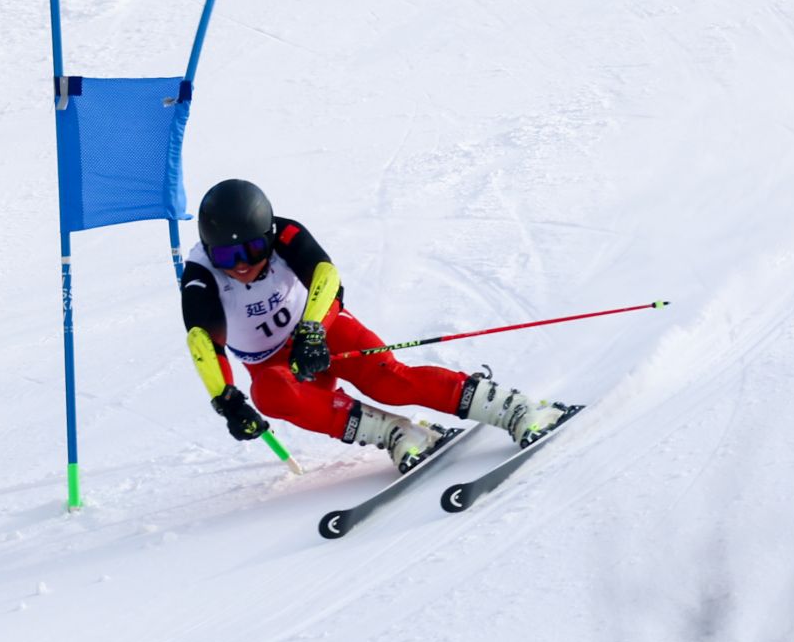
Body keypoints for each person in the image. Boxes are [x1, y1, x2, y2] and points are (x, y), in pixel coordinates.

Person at [181, 179, 573, 472]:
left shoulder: (286, 235)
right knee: (270, 393)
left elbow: (326, 276)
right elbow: (203, 341)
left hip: (323, 333)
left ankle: (516, 408)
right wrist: (227, 400)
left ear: (266, 236)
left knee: (388, 382)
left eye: (251, 249)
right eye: (227, 254)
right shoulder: (201, 276)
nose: (240, 264)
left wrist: (313, 330)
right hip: (277, 365)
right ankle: (400, 435)